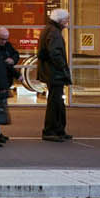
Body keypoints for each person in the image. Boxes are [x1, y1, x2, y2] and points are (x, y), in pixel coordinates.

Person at [37, 9, 73, 142]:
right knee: (55, 103)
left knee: (57, 102)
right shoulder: (54, 32)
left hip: (50, 72)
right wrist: (63, 68)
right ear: (60, 20)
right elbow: (55, 53)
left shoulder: (49, 29)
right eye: (66, 20)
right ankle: (51, 131)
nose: (67, 22)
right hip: (54, 73)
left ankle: (58, 130)